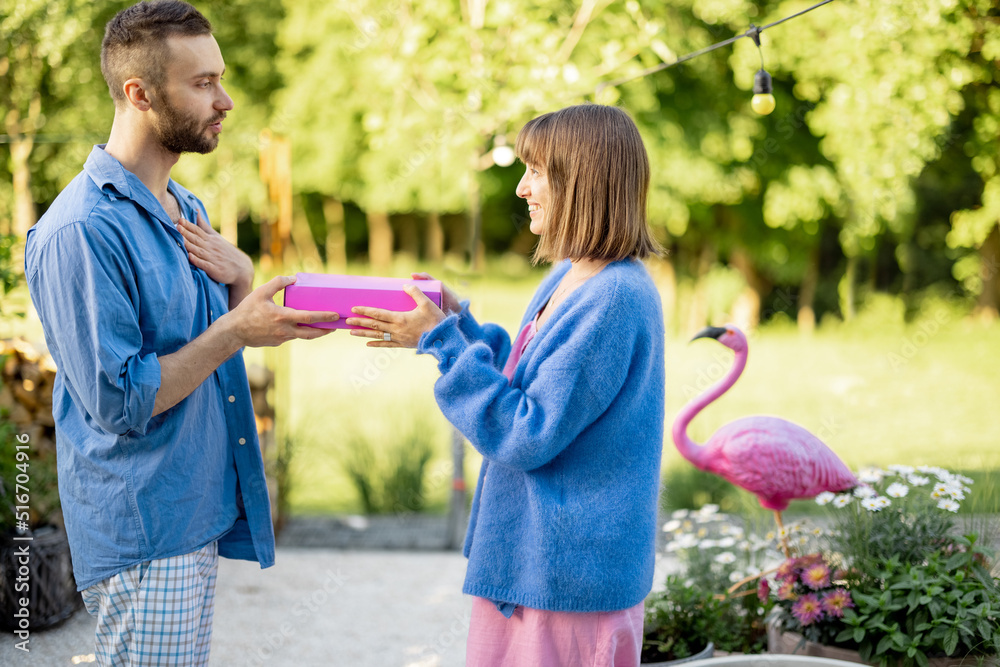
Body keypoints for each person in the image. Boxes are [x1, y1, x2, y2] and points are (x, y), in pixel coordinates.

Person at [24, 2, 337, 664]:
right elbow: (122, 400)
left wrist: (245, 288)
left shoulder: (182, 208)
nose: (225, 100)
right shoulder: (82, 231)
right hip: (144, 525)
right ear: (138, 93)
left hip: (191, 513)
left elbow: (216, 340)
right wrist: (234, 327)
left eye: (220, 78)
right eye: (203, 83)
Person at [347, 103, 666, 666]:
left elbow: (528, 432)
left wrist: (445, 344)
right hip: (531, 565)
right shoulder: (571, 274)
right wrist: (456, 324)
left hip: (568, 580)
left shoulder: (615, 297)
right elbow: (526, 378)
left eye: (537, 171)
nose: (522, 188)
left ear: (583, 180)